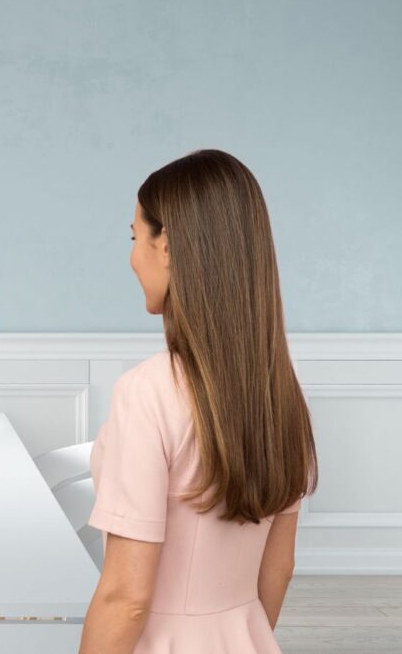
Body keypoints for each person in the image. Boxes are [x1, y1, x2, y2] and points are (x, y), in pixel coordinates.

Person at [79, 150, 318, 653]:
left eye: (134, 236)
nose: (131, 255)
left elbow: (126, 598)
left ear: (165, 245)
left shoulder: (146, 391)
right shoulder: (280, 394)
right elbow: (280, 566)